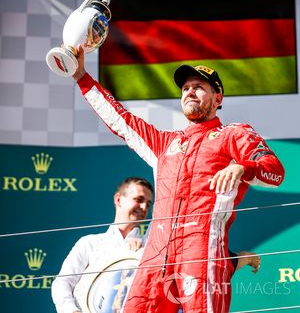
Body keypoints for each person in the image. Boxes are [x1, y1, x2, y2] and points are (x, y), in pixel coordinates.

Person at [72, 49, 284, 313]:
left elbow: (274, 172)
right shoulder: (165, 143)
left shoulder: (234, 134)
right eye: (185, 88)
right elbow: (121, 120)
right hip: (154, 256)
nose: (190, 92)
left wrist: (243, 167)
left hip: (202, 251)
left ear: (218, 97)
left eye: (199, 87)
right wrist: (81, 76)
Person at [51, 177, 153, 313]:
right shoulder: (89, 243)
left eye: (148, 204)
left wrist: (145, 250)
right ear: (118, 200)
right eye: (138, 200)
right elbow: (62, 283)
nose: (144, 207)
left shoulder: (150, 250)